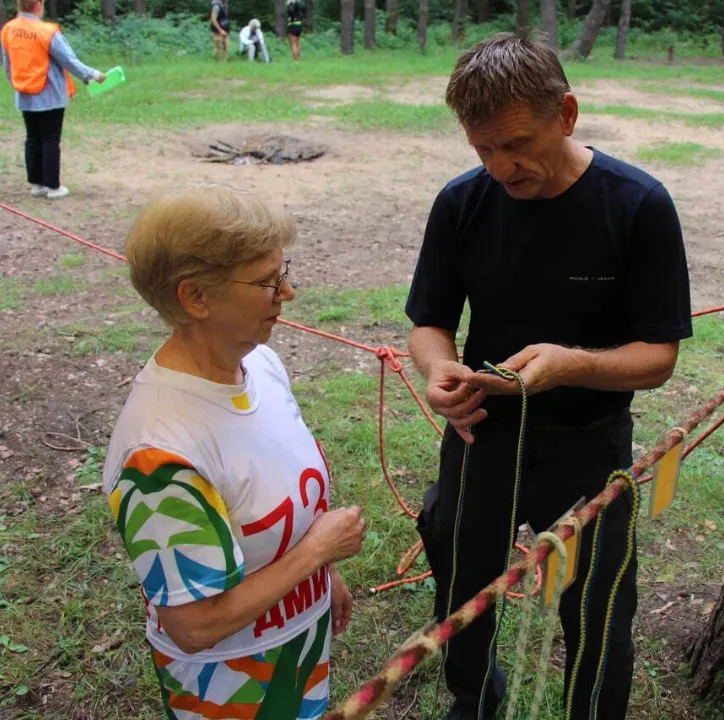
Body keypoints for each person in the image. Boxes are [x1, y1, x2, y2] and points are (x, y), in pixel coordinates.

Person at [406, 32, 692, 720]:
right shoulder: (462, 204)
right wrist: (442, 370)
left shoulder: (637, 206)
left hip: (589, 442)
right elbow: (429, 322)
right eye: (482, 150)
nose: (502, 167)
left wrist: (571, 366)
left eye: (517, 144)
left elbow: (658, 356)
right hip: (482, 432)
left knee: (598, 606)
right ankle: (475, 699)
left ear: (566, 113)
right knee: (461, 587)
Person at [102, 188, 366, 719]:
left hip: (297, 653)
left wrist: (321, 579)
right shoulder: (160, 456)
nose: (288, 292)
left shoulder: (261, 365)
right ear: (196, 298)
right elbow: (194, 625)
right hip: (228, 685)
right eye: (268, 281)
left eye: (283, 271)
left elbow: (280, 501)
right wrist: (316, 555)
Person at [1, 0, 105, 200]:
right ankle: (53, 186)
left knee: (33, 138)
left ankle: (37, 184)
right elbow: (69, 60)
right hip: (49, 94)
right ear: (39, 4)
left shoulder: (8, 29)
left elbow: (8, 64)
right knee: (50, 139)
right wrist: (93, 75)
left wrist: (16, 84)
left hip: (24, 93)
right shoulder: (47, 32)